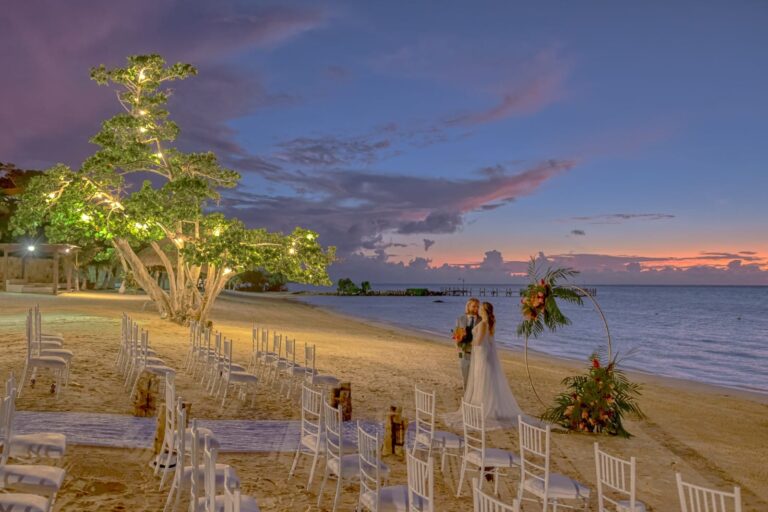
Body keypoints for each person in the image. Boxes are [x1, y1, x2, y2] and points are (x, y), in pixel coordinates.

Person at [446, 301, 524, 430]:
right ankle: (485, 407)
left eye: (480, 308)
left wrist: (464, 339)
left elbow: (478, 341)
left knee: (482, 380)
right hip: (483, 353)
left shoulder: (482, 324)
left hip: (481, 354)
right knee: (485, 381)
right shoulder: (488, 323)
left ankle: (483, 408)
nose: (478, 309)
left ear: (484, 311)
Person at [454, 298, 480, 390]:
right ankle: (466, 400)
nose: (476, 309)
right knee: (465, 379)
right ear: (468, 306)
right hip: (464, 354)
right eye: (474, 306)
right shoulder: (460, 319)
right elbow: (456, 337)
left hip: (477, 355)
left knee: (477, 381)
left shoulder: (481, 321)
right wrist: (459, 350)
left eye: (477, 307)